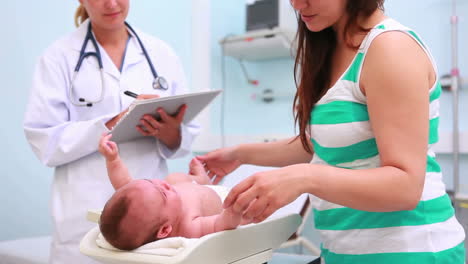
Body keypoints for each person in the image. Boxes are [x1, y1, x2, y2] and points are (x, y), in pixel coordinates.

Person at [198, 0, 466, 263]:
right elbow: (323, 143)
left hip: (412, 252)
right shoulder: (331, 48)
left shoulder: (390, 48)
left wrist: (304, 177)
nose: (296, 4)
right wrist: (239, 154)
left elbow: (405, 188)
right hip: (343, 253)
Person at [23, 1, 199, 263]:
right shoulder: (58, 57)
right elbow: (44, 139)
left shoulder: (161, 53)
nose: (112, 3)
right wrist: (112, 122)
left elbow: (186, 137)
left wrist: (171, 133)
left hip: (153, 213)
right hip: (84, 208)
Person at [98, 133, 245, 250]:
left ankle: (199, 178)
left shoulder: (149, 202)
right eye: (163, 194)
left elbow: (123, 183)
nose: (161, 183)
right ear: (165, 230)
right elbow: (219, 224)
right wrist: (234, 211)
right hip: (214, 193)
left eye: (150, 181)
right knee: (175, 180)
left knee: (173, 178)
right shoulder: (188, 226)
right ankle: (204, 181)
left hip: (191, 184)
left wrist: (113, 160)